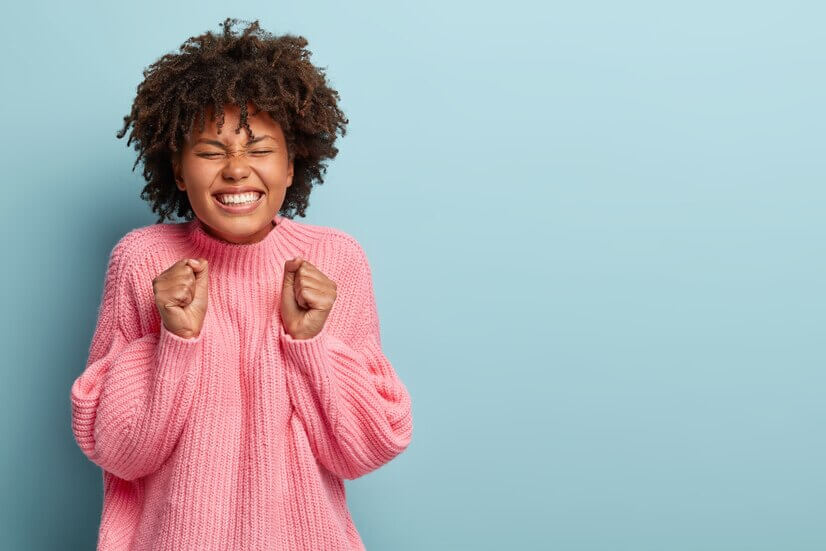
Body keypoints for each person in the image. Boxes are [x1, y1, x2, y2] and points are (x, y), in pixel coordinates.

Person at [69, 18, 413, 551]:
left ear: (293, 164)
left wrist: (310, 345)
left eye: (260, 149)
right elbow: (117, 451)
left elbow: (367, 447)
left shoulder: (335, 261)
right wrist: (174, 342)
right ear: (179, 171)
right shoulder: (142, 261)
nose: (235, 170)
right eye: (210, 152)